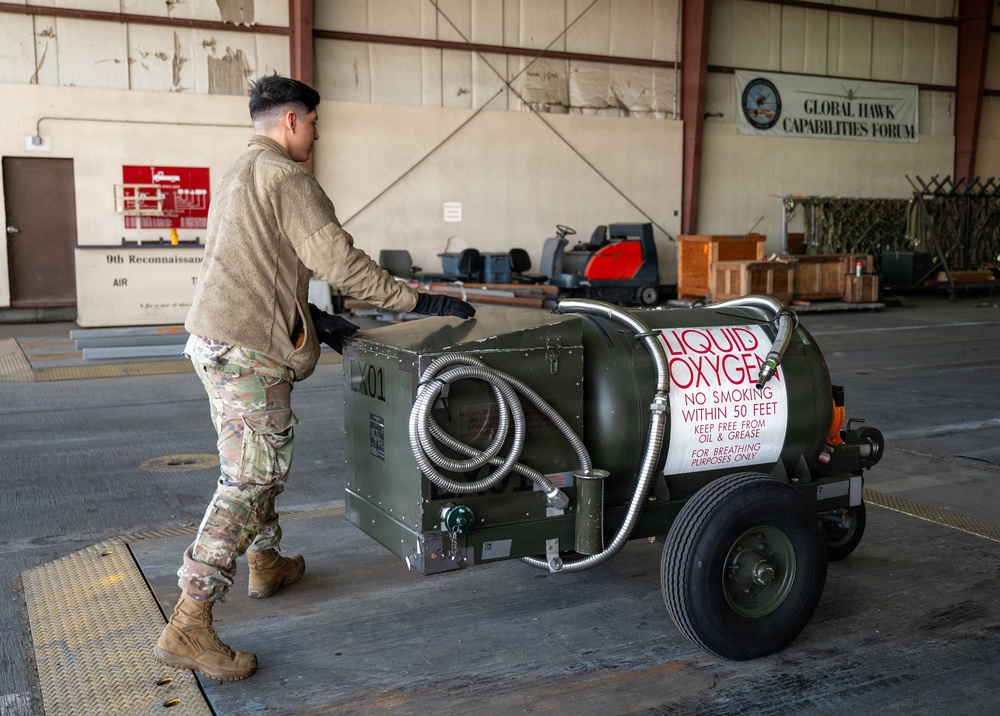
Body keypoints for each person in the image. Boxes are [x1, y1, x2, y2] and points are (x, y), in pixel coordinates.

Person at [153, 74, 475, 681]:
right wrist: (416, 302)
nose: (318, 133)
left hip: (218, 341)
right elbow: (338, 261)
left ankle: (267, 561)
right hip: (247, 350)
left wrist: (309, 317)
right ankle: (189, 622)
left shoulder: (238, 173)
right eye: (316, 122)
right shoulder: (287, 178)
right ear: (293, 121)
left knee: (255, 457)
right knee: (252, 476)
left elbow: (256, 263)